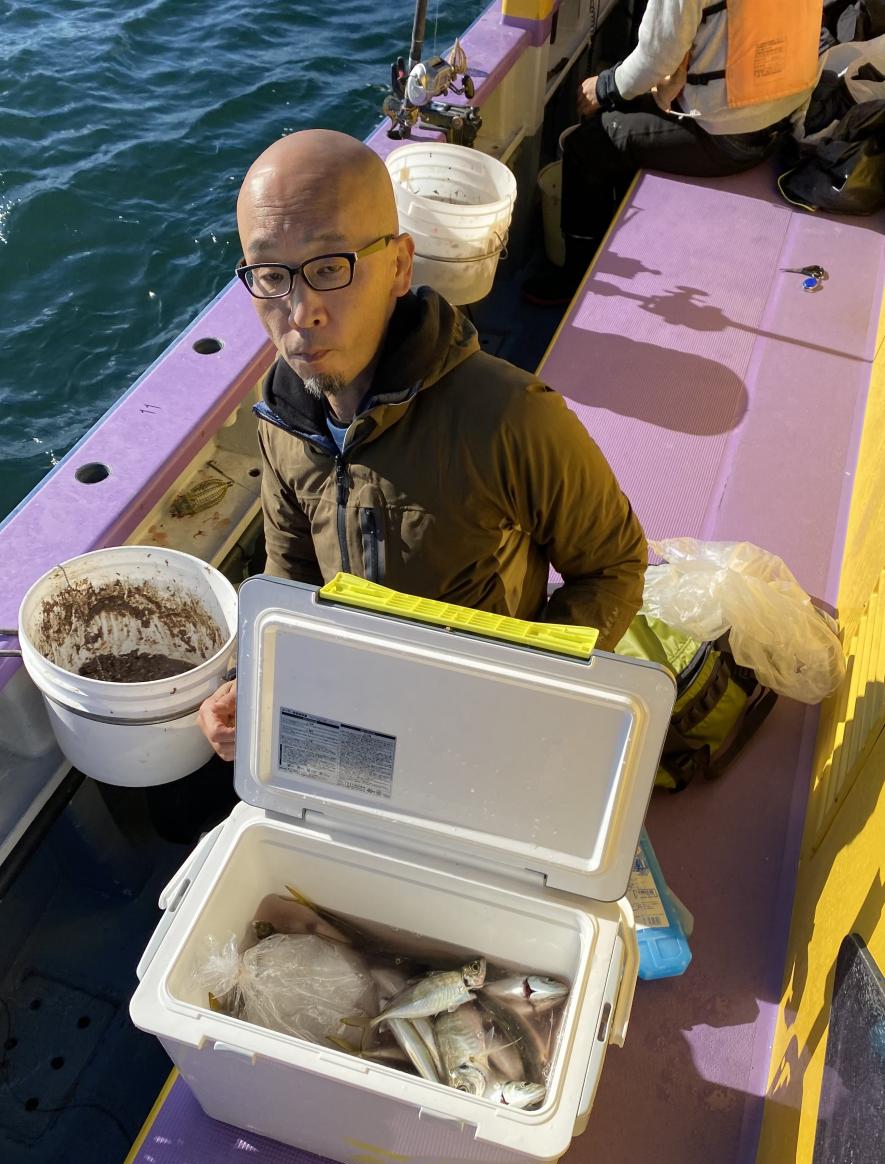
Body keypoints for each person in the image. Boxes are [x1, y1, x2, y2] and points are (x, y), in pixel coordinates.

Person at [198, 129, 647, 760]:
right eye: (272, 275)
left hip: (483, 723)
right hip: (363, 716)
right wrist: (254, 678)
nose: (300, 312)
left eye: (329, 268)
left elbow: (614, 566)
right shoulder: (282, 420)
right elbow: (292, 570)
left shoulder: (511, 417)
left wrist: (529, 691)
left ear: (399, 266)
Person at [524, 0, 823, 305]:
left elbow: (655, 59)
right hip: (783, 121)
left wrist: (601, 87)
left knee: (588, 146)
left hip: (727, 139)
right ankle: (618, 229)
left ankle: (576, 278)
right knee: (628, 106)